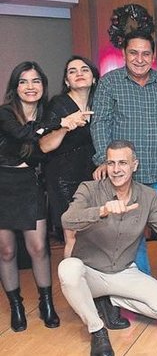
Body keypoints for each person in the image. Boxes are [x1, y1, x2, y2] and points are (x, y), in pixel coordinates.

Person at [59, 140, 157, 356]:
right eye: (111, 163)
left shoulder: (148, 196)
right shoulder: (89, 189)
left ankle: (109, 300)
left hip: (124, 271)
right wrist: (102, 210)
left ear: (135, 165)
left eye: (122, 163)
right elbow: (67, 219)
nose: (116, 169)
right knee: (68, 268)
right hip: (90, 273)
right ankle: (97, 330)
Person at [91, 30, 157, 277]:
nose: (140, 59)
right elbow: (100, 124)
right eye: (134, 53)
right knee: (132, 236)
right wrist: (104, 160)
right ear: (124, 54)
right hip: (127, 178)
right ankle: (143, 288)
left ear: (153, 56)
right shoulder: (109, 83)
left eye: (145, 54)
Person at [1, 62, 76, 331]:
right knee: (6, 250)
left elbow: (43, 148)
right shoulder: (5, 113)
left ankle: (47, 304)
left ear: (43, 85)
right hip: (2, 184)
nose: (30, 87)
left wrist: (60, 126)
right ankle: (16, 306)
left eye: (35, 81)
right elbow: (23, 134)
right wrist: (59, 123)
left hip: (29, 184)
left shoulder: (46, 115)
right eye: (23, 81)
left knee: (39, 248)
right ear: (15, 87)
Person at [40, 56, 98, 241]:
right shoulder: (58, 104)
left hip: (94, 176)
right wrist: (65, 126)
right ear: (67, 81)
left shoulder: (100, 103)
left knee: (97, 234)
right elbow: (44, 146)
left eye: (84, 69)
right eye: (73, 71)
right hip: (64, 178)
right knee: (74, 235)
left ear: (94, 78)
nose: (79, 73)